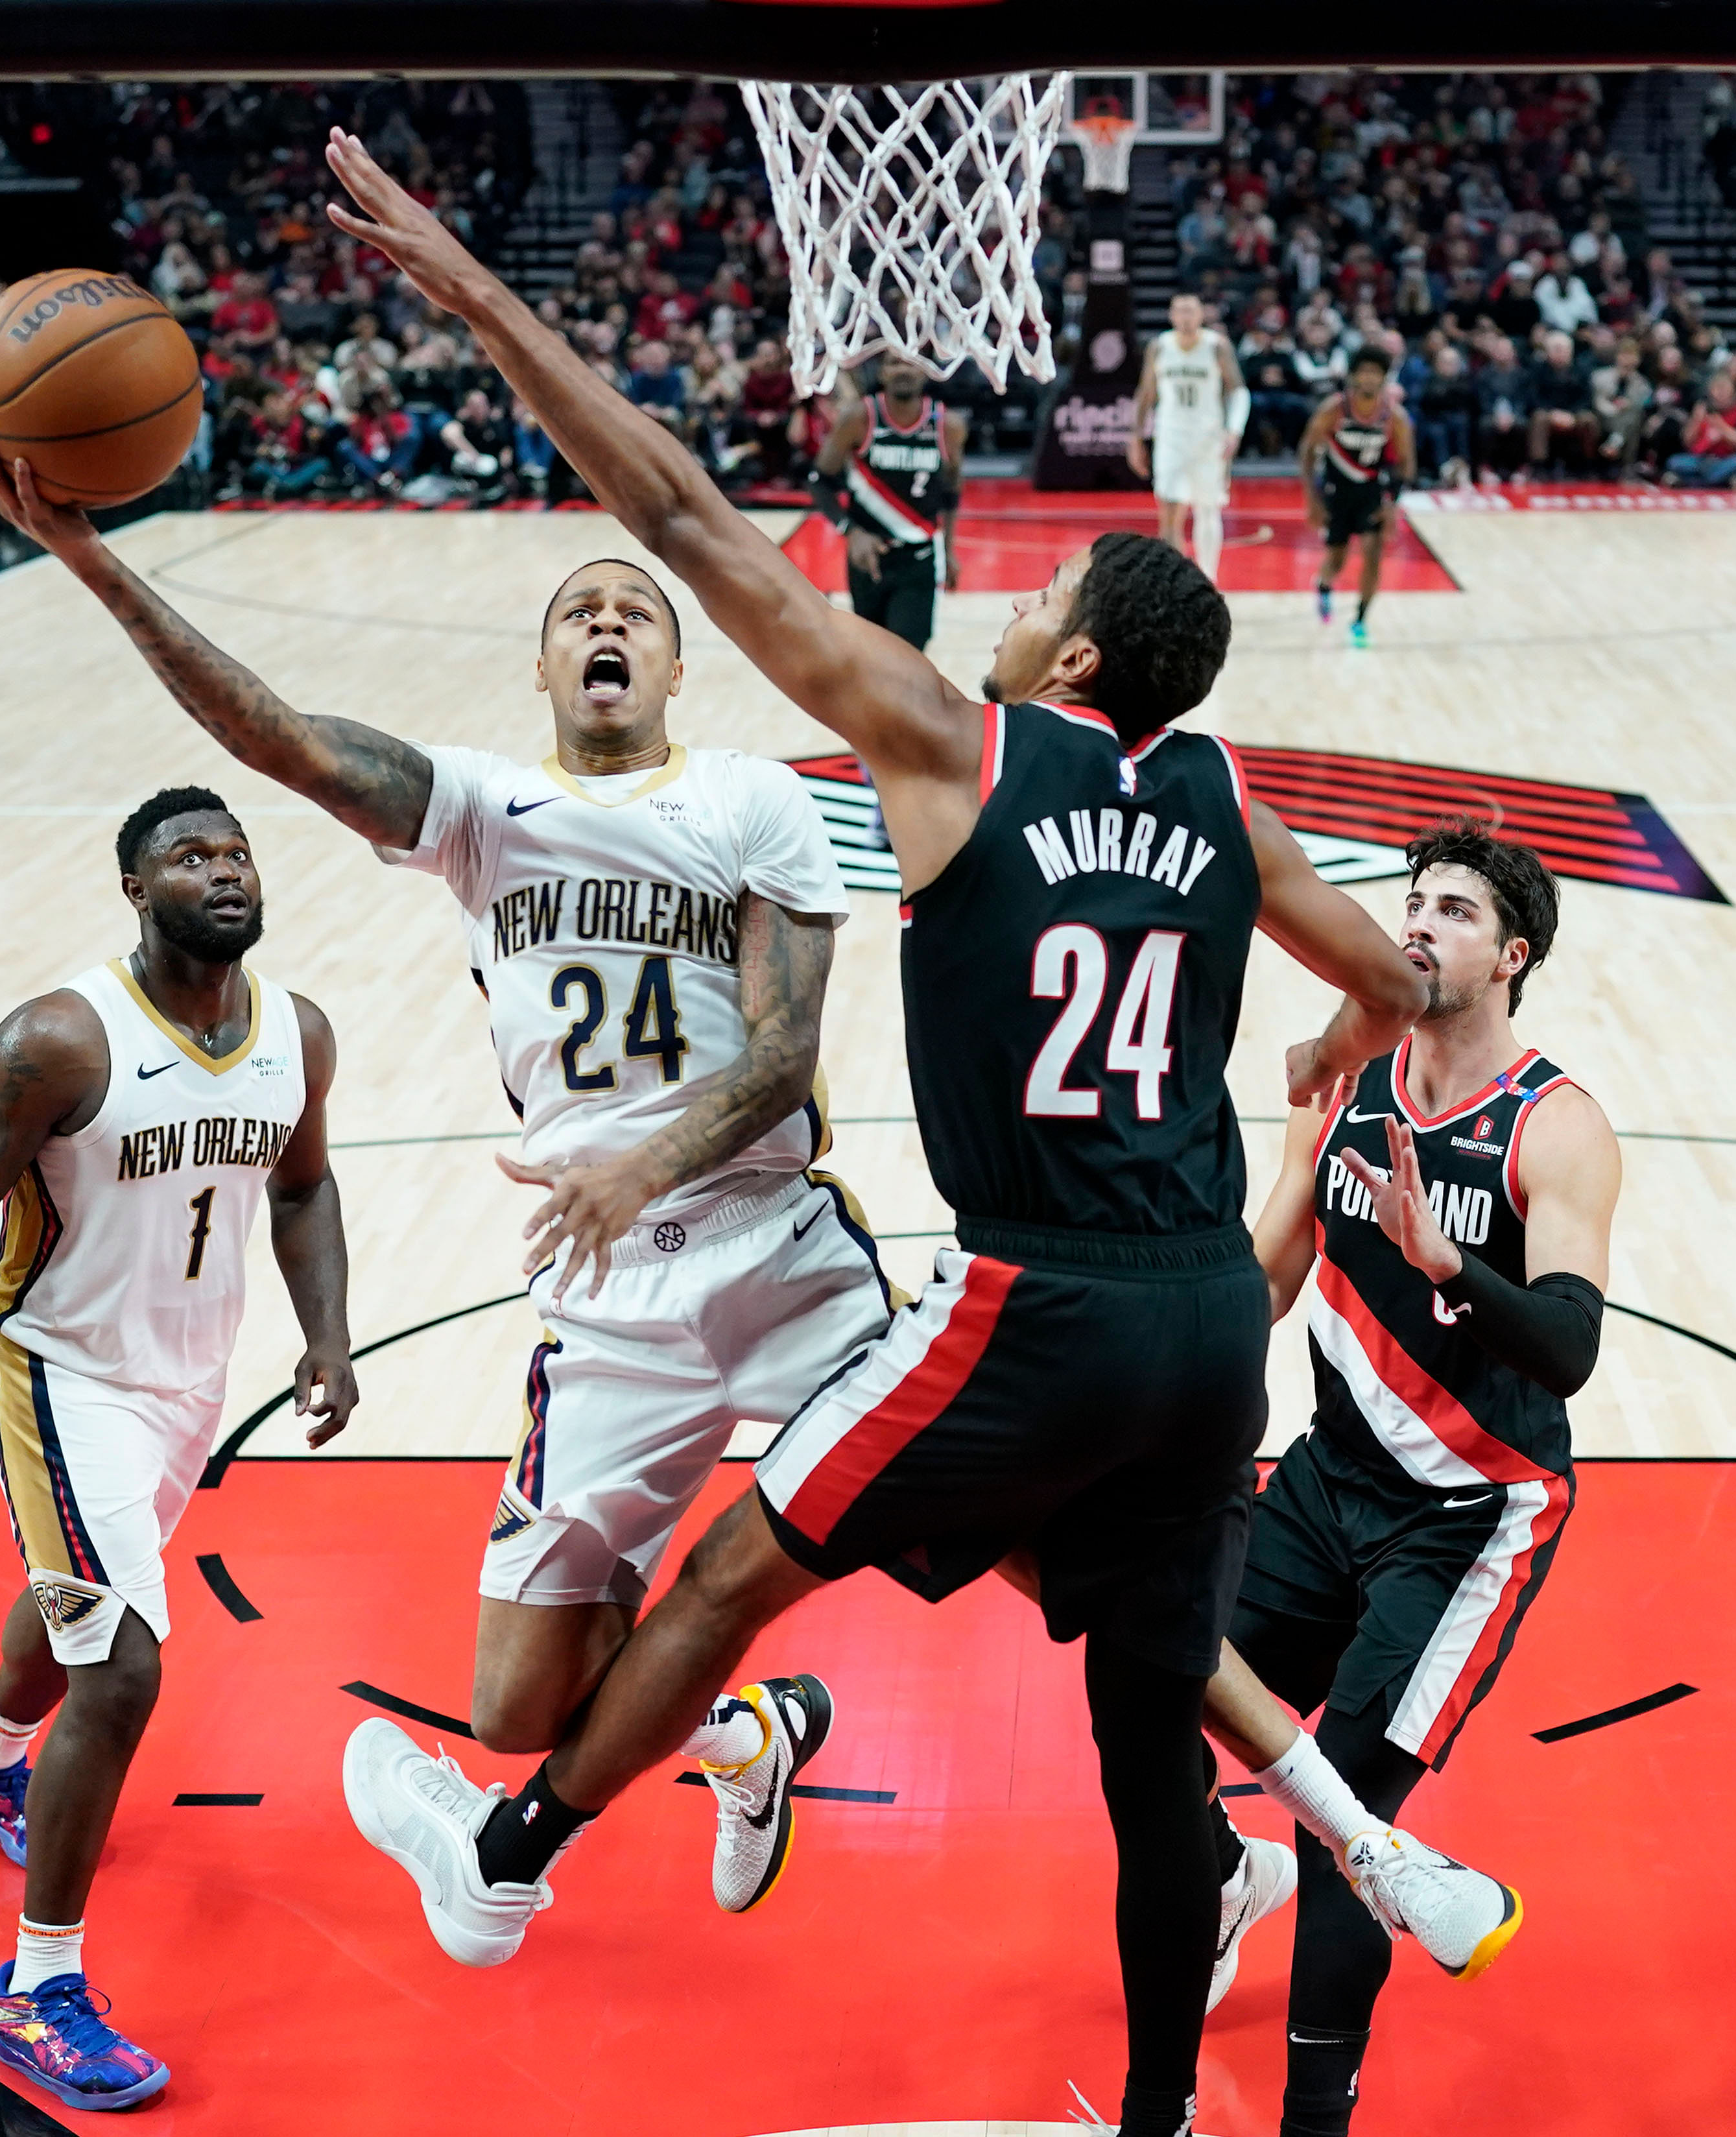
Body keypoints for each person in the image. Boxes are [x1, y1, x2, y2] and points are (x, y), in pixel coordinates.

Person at [312, 125, 1433, 2137]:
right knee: (1127, 1737)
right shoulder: (1224, 807)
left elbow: (672, 504)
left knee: (742, 1565)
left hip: (1038, 1299)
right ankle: (1227, 2007)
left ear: (1073, 658)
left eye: (1046, 589)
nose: (1011, 596)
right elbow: (1408, 986)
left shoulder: (951, 739)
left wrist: (478, 296)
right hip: (1205, 1325)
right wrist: (1323, 1056)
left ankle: (503, 1867)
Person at [0, 437, 896, 1922]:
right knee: (520, 1703)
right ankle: (745, 1735)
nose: (605, 623)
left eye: (634, 610)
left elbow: (783, 1059)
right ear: (539, 668)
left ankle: (1256, 1814)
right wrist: (91, 558)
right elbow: (274, 733)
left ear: (672, 665)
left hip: (770, 1238)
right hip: (607, 1295)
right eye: (578, 610)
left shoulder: (748, 798)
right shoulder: (481, 812)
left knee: (1006, 1519)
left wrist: (638, 1157)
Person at [0, 787, 352, 2109]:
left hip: (187, 1387)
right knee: (125, 1670)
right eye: (188, 857)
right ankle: (39, 1989)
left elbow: (303, 1188)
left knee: (87, 1604)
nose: (222, 870)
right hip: (63, 1378)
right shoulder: (57, 1040)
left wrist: (328, 1334)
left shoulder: (295, 1035)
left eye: (236, 850)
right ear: (135, 891)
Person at [1203, 817, 1618, 2136]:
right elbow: (1273, 1267)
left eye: (1451, 910)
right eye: (1412, 902)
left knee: (1345, 1824)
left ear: (1511, 956)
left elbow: (1566, 1352)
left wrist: (1449, 1267)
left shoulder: (1554, 1127)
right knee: (1152, 1683)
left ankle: (1311, 2116)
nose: (1418, 924)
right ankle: (1221, 1881)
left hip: (1467, 1518)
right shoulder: (1350, 1071)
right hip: (1326, 1481)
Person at [815, 355, 964, 652]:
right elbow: (819, 481)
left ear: (925, 372)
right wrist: (851, 531)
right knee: (870, 655)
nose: (903, 371)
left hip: (918, 558)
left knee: (908, 655)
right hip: (868, 558)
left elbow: (950, 494)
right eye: (895, 363)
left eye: (911, 363)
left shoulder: (948, 425)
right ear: (882, 372)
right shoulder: (859, 418)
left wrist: (949, 553)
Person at [1131, 291, 1250, 586]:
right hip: (1170, 436)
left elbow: (1239, 391)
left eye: (1191, 311)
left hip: (1209, 437)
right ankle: (1175, 582)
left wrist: (1234, 430)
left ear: (1201, 315)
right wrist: (1134, 437)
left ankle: (1209, 580)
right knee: (1169, 509)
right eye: (1180, 311)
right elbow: (1146, 394)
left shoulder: (1216, 346)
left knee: (1208, 507)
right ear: (1172, 316)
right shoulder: (1159, 347)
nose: (1185, 317)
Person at [1300, 348, 1414, 647]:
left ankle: (1360, 620)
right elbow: (1307, 450)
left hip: (1372, 493)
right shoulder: (1335, 409)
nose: (1369, 378)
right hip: (1337, 493)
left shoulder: (1394, 417)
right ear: (1353, 376)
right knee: (1336, 560)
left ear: (1384, 378)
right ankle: (1324, 585)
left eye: (1375, 373)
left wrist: (1393, 503)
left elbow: (1406, 464)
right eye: (1364, 372)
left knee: (1373, 557)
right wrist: (1312, 499)